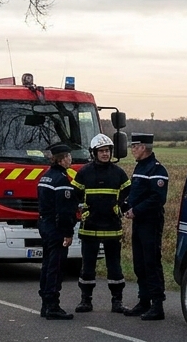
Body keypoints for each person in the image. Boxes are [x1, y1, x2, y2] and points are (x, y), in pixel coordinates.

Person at [72, 133, 131, 313]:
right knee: (87, 265)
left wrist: (119, 208)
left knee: (114, 266)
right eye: (101, 151)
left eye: (107, 151)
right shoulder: (84, 172)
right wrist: (83, 210)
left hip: (112, 227)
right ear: (94, 153)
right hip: (90, 226)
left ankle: (117, 301)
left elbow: (128, 194)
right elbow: (75, 195)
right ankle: (85, 300)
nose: (105, 154)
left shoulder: (118, 173)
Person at [124, 133, 168, 320]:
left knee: (151, 262)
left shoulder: (156, 170)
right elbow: (136, 193)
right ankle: (144, 301)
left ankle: (157, 304)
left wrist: (137, 210)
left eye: (135, 146)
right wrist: (126, 207)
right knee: (139, 263)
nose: (132, 149)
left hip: (150, 221)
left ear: (143, 147)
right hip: (139, 221)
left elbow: (157, 198)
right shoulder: (140, 167)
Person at [36, 142, 77, 320]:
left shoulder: (46, 177)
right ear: (62, 159)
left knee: (47, 265)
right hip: (57, 228)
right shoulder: (61, 180)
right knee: (56, 266)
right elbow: (65, 211)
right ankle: (53, 305)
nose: (70, 159)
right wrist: (68, 233)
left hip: (45, 225)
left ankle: (45, 303)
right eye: (68, 156)